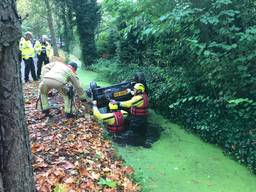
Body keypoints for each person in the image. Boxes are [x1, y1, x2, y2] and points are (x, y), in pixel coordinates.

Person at [117, 83, 152, 148]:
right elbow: (134, 94)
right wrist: (130, 91)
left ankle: (133, 142)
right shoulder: (144, 95)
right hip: (143, 117)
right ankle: (145, 142)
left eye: (135, 89)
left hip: (138, 118)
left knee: (133, 129)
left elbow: (128, 104)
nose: (134, 90)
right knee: (143, 130)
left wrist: (117, 103)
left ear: (139, 91)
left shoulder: (138, 98)